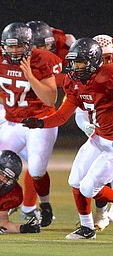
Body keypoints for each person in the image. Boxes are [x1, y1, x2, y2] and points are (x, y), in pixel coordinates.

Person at [22, 38, 113, 239]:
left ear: (94, 61)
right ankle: (87, 228)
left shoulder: (108, 75)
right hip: (98, 137)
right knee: (75, 180)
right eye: (73, 62)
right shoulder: (73, 82)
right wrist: (40, 123)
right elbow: (62, 115)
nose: (75, 67)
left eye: (80, 62)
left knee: (90, 187)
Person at [0, 22, 62, 228]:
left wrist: (30, 76)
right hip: (13, 123)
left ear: (30, 45)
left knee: (37, 170)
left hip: (40, 123)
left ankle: (45, 204)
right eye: (10, 46)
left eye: (19, 46)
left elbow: (50, 99)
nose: (14, 51)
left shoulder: (43, 60)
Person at [16, 21, 75, 221]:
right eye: (38, 46)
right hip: (31, 108)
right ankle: (23, 206)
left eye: (46, 46)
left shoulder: (64, 44)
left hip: (62, 96)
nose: (43, 50)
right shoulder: (18, 54)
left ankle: (29, 207)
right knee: (34, 163)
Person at [74, 34, 113, 232]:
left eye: (109, 58)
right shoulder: (85, 79)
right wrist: (87, 127)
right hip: (100, 137)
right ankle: (100, 214)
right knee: (87, 180)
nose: (106, 63)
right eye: (103, 59)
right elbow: (79, 111)